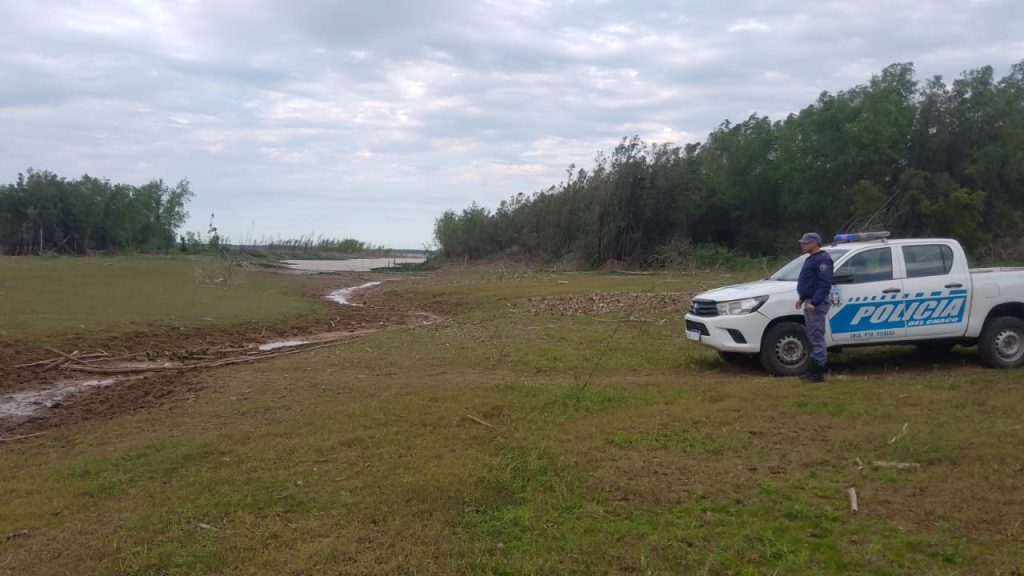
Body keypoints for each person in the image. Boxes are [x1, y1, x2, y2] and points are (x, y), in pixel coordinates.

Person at [795, 232, 833, 382]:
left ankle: (818, 372)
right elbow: (810, 282)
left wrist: (814, 302)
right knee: (812, 335)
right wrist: (802, 298)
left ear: (815, 243)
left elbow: (824, 284)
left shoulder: (823, 259)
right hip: (809, 300)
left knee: (816, 336)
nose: (802, 245)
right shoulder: (811, 259)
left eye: (806, 243)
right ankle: (812, 369)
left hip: (816, 303)